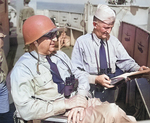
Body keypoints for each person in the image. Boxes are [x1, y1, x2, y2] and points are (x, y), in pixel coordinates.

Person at [10, 15, 137, 123]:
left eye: (55, 34)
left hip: (77, 102)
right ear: (34, 41)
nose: (55, 39)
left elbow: (80, 75)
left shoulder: (60, 56)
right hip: (55, 115)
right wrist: (66, 104)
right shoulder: (23, 69)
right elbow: (25, 109)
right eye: (49, 35)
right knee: (113, 113)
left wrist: (80, 99)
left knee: (126, 116)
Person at [71, 4, 149, 103]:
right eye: (106, 27)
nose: (109, 31)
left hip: (110, 96)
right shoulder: (81, 42)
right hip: (89, 95)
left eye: (111, 27)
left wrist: (138, 69)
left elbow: (126, 61)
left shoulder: (114, 42)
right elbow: (74, 72)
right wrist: (95, 79)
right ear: (95, 24)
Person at [0, 27, 11, 123]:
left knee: (5, 115)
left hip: (2, 86)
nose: (3, 36)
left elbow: (5, 67)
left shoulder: (1, 51)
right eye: (1, 36)